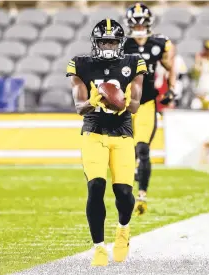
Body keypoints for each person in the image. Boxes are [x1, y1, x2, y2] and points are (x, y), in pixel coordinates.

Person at [66, 19, 147, 266]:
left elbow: (135, 106)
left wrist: (120, 100)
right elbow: (80, 108)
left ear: (120, 43)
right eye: (104, 41)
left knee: (123, 192)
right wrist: (95, 100)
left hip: (122, 132)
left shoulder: (133, 63)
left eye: (112, 41)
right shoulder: (80, 64)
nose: (109, 46)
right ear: (96, 43)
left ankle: (123, 229)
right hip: (94, 132)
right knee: (96, 187)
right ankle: (99, 248)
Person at [123, 2, 176, 216]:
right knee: (125, 150)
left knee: (143, 149)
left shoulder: (160, 44)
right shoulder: (122, 45)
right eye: (135, 23)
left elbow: (171, 67)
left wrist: (172, 88)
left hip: (146, 103)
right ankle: (127, 187)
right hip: (125, 105)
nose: (139, 27)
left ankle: (142, 195)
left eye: (142, 23)